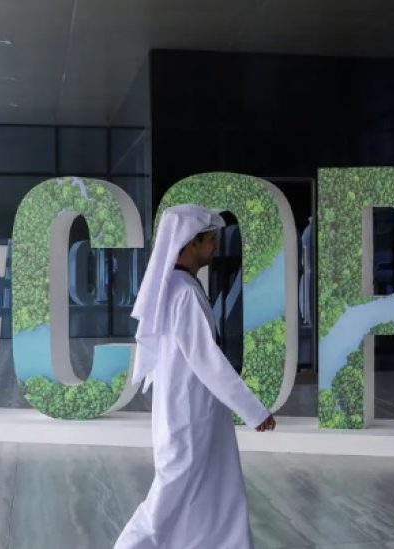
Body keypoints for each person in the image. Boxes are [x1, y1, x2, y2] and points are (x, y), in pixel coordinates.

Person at [115, 204, 275, 549]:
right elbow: (206, 359)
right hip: (189, 411)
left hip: (193, 407)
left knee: (216, 486)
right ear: (190, 243)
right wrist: (254, 411)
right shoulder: (184, 292)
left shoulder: (177, 286)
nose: (215, 245)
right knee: (172, 489)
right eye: (210, 239)